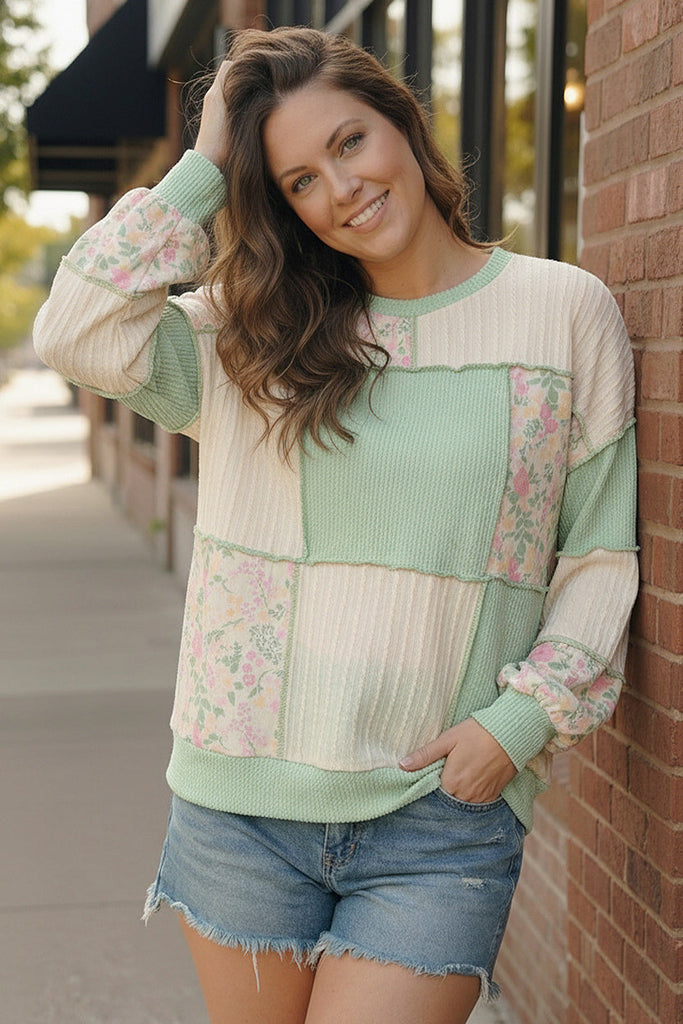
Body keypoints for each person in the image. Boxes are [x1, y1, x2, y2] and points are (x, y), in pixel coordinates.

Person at [33, 26, 638, 1024]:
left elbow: (598, 555)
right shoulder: (249, 334)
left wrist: (517, 723)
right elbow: (76, 331)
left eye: (350, 142)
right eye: (300, 181)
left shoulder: (562, 312)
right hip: (242, 807)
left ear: (403, 122)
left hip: (436, 814)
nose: (342, 189)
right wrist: (205, 163)